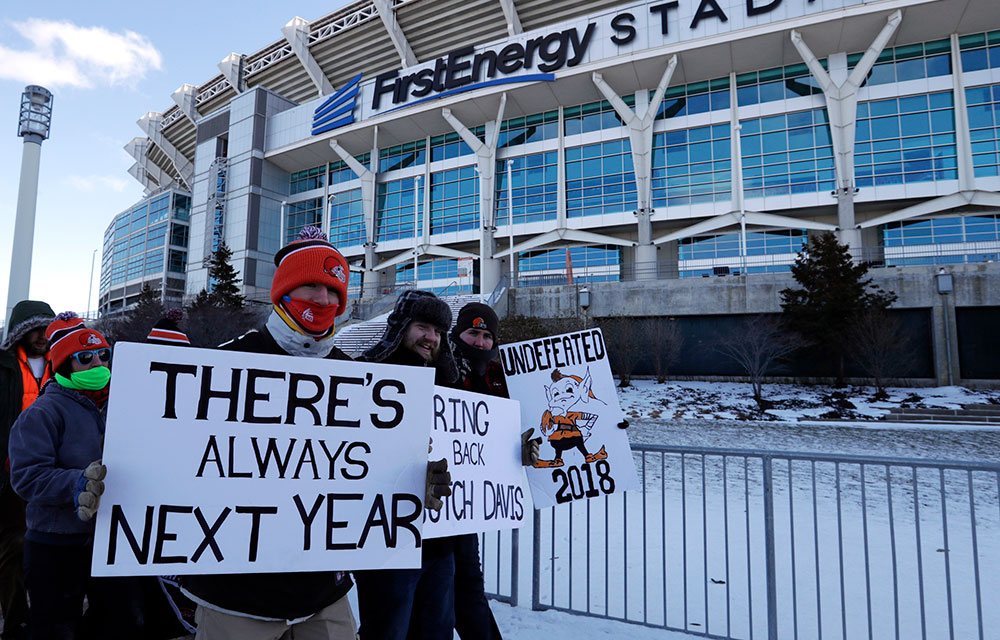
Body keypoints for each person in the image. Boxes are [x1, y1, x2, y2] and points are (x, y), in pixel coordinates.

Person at [179, 227, 357, 640]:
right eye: (310, 285)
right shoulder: (225, 364)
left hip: (323, 594)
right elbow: (179, 458)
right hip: (236, 594)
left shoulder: (359, 380)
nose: (323, 300)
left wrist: (412, 478)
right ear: (283, 290)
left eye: (333, 290)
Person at [8, 312, 144, 639]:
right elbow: (27, 477)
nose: (98, 363)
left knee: (117, 624)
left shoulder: (124, 404)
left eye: (104, 354)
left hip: (112, 542)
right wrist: (77, 484)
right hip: (55, 544)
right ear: (64, 365)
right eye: (85, 357)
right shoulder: (42, 413)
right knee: (55, 629)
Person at [356, 290, 458, 640]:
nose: (432, 338)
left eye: (439, 331)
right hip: (386, 541)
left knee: (437, 632)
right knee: (388, 631)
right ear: (401, 327)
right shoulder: (362, 375)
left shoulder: (452, 387)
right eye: (423, 326)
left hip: (439, 542)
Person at [0, 300, 54, 640]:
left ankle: (49, 617)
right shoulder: (3, 366)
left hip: (53, 471)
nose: (40, 335)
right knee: (12, 546)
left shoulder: (66, 363)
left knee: (51, 550)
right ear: (20, 330)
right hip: (10, 474)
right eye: (33, 328)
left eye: (45, 328)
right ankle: (16, 621)